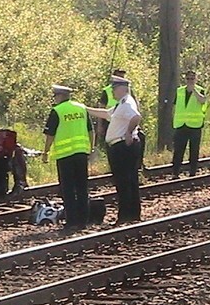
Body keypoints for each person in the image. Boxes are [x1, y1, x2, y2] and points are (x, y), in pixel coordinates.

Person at [87, 76, 142, 223]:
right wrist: (85, 109)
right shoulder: (120, 104)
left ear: (122, 88)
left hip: (123, 146)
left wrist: (129, 132)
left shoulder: (127, 103)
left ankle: (125, 216)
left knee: (124, 181)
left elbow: (136, 117)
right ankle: (131, 214)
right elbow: (106, 114)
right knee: (127, 180)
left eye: (114, 89)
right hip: (120, 146)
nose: (111, 92)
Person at [42, 85, 94, 229]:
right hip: (82, 153)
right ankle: (83, 221)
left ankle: (71, 221)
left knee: (68, 189)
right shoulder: (81, 108)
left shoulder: (57, 111)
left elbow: (50, 135)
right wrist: (91, 147)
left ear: (59, 96)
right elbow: (91, 131)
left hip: (65, 156)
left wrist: (45, 152)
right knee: (82, 187)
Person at [171, 71, 207, 178]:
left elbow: (202, 101)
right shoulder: (179, 91)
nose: (190, 81)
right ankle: (175, 172)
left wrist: (194, 91)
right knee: (178, 150)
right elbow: (175, 106)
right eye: (188, 79)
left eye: (192, 79)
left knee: (194, 150)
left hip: (195, 125)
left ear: (196, 79)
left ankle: (192, 172)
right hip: (181, 125)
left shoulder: (200, 90)